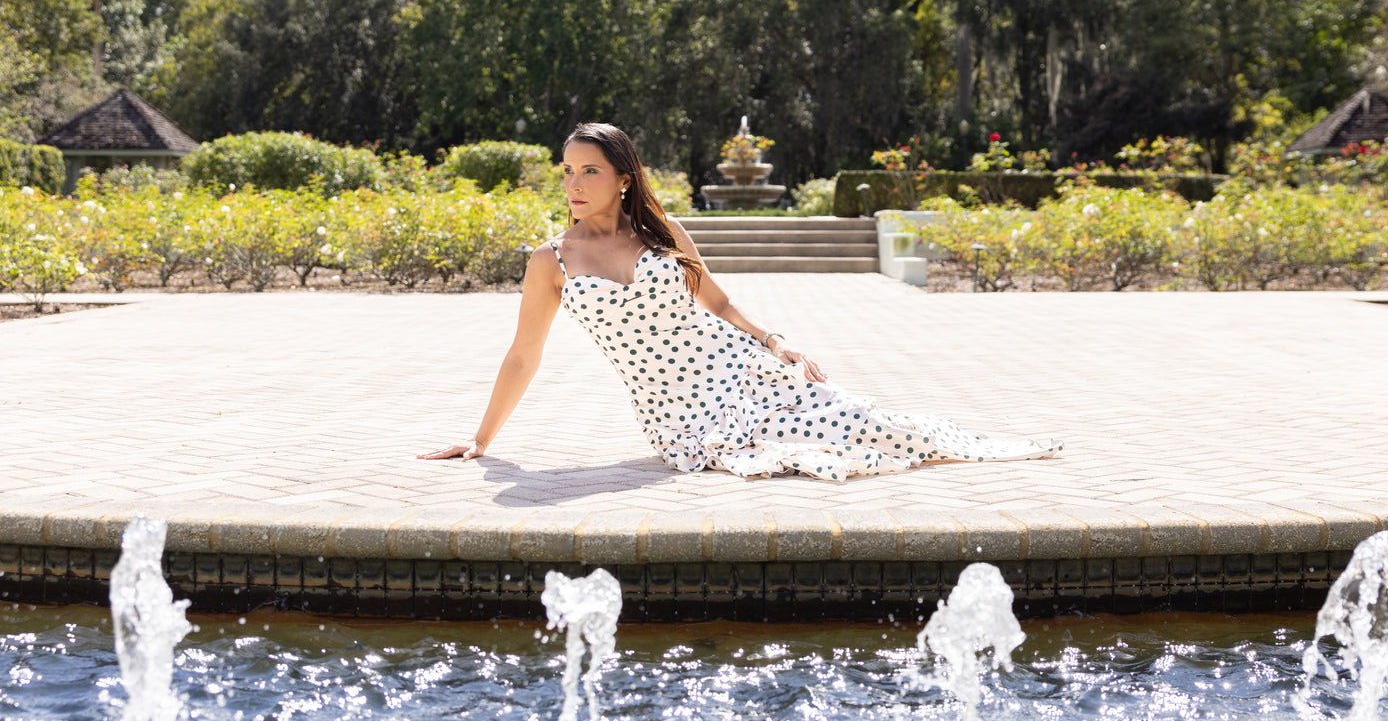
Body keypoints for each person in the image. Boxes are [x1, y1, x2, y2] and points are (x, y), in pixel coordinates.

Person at [420, 123, 1061, 480]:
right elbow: (523, 356)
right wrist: (480, 442)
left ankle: (996, 446)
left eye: (589, 170)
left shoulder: (661, 232)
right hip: (676, 417)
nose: (574, 183)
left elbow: (717, 301)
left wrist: (773, 340)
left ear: (623, 178)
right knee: (805, 452)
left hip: (741, 371)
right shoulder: (551, 261)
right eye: (566, 170)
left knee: (866, 423)